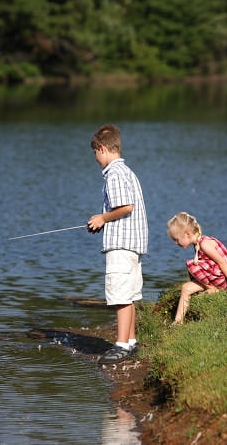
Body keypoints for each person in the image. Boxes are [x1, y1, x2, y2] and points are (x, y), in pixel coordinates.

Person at [87, 124, 148, 364]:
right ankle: (131, 341)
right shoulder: (128, 172)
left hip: (122, 245)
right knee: (129, 294)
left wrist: (102, 217)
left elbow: (126, 207)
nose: (96, 159)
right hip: (133, 244)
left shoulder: (114, 174)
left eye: (95, 154)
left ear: (102, 148)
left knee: (121, 296)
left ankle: (121, 344)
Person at [167, 212, 227, 325]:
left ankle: (214, 289)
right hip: (216, 277)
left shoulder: (204, 244)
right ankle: (178, 322)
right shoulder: (198, 244)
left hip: (222, 279)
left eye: (176, 239)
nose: (176, 243)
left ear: (187, 234)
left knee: (192, 265)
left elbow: (223, 263)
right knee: (185, 288)